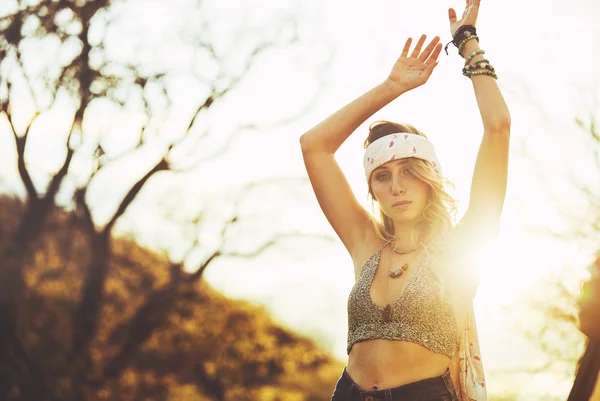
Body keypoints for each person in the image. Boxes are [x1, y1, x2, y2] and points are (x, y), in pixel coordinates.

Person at [300, 0, 510, 400]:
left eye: (410, 172)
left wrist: (469, 45)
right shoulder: (366, 244)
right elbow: (314, 147)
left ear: (429, 179)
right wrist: (393, 87)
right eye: (383, 176)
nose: (397, 186)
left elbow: (498, 128)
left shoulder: (460, 248)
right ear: (373, 189)